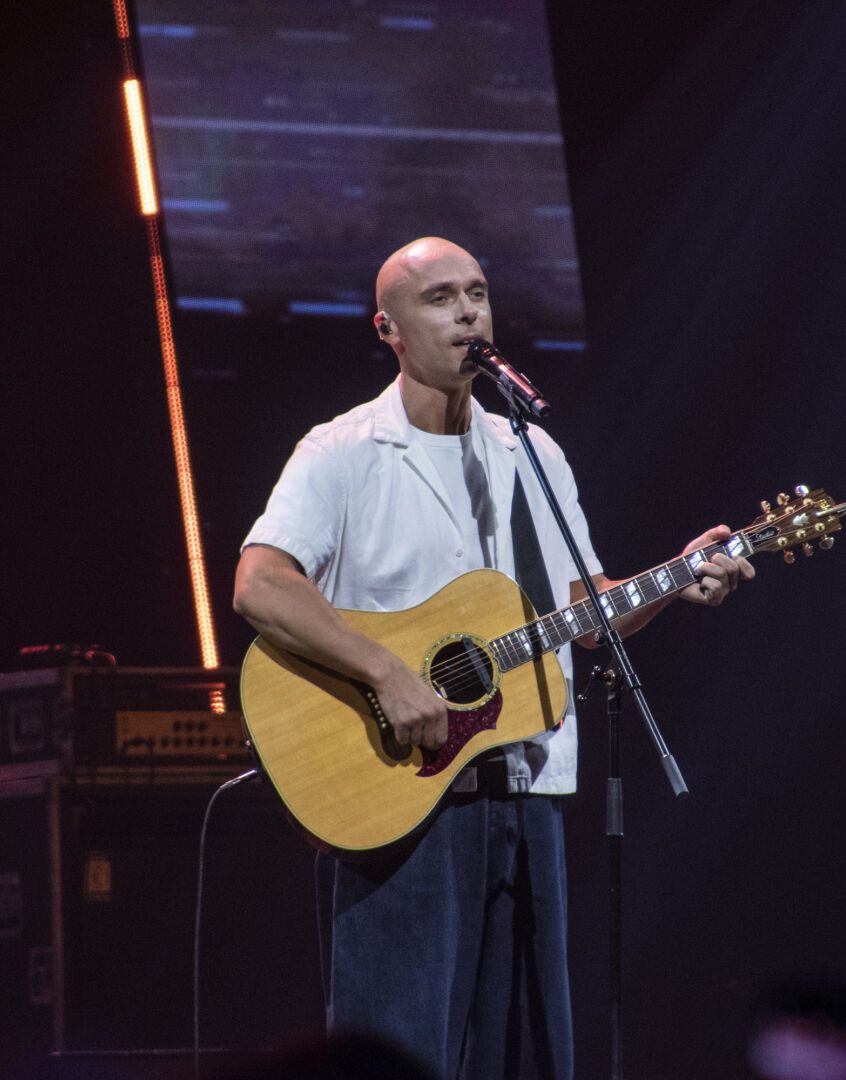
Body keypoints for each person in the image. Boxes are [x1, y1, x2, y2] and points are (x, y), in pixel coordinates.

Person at [232, 237, 754, 1079]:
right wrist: (385, 671)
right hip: (402, 803)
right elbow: (261, 584)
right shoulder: (341, 451)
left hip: (526, 794)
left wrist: (676, 576)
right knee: (399, 1057)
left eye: (476, 292)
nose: (468, 311)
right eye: (440, 298)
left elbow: (586, 613)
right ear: (388, 328)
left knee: (526, 1059)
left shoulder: (532, 453)